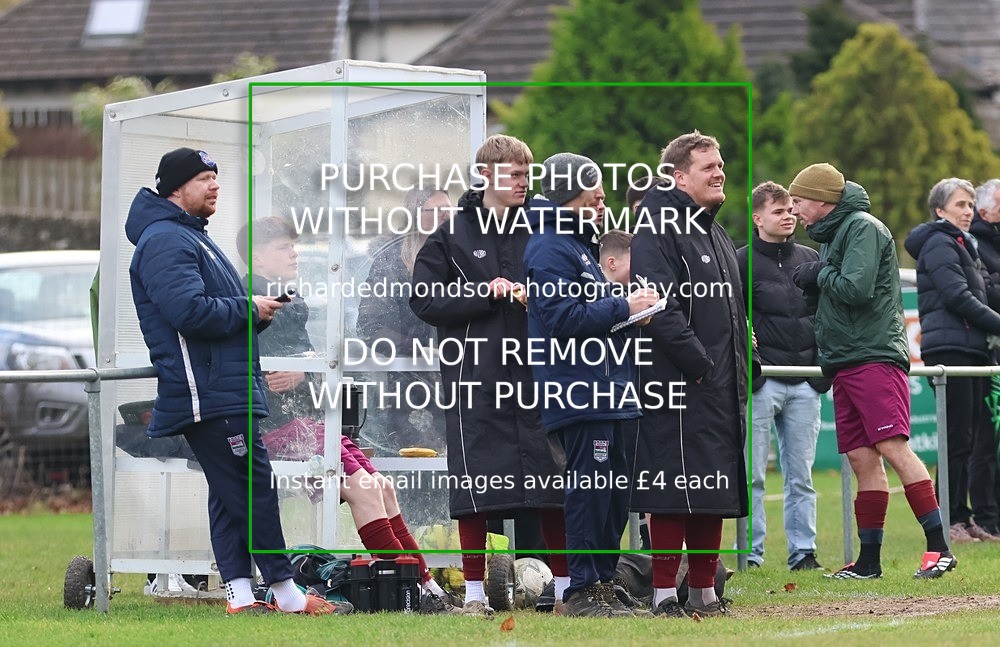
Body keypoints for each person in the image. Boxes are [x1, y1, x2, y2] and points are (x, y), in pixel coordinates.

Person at [125, 147, 340, 615]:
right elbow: (189, 313)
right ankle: (286, 593)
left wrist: (258, 311)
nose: (215, 186)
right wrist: (251, 308)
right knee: (253, 487)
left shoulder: (190, 236)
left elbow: (213, 308)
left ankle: (241, 596)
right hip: (209, 393)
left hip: (223, 388)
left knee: (229, 495)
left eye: (216, 177)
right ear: (176, 188)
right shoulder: (165, 240)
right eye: (204, 178)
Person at [236, 215, 460, 613]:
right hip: (274, 430)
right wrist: (286, 372)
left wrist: (303, 374)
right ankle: (410, 590)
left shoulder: (289, 296)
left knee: (383, 487)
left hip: (308, 424)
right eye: (283, 247)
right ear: (255, 256)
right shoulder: (243, 300)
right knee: (364, 489)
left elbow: (304, 364)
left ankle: (426, 585)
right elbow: (245, 367)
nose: (294, 253)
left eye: (294, 244)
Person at [410, 134, 568, 617]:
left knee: (553, 483)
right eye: (514, 174)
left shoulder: (547, 225)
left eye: (528, 173)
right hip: (474, 378)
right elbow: (424, 301)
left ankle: (563, 590)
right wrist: (489, 292)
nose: (524, 182)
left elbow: (575, 285)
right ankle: (475, 595)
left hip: (541, 375)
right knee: (476, 489)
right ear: (486, 175)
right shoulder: (450, 233)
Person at [788, 162, 955, 579]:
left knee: (893, 447)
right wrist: (814, 289)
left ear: (823, 200)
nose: (793, 209)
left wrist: (819, 274)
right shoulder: (832, 234)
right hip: (846, 358)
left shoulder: (861, 226)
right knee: (862, 457)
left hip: (873, 354)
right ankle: (868, 563)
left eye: (799, 201)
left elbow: (855, 289)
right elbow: (834, 294)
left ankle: (940, 548)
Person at [524, 155, 659, 618]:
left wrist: (633, 314)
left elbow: (595, 320)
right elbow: (562, 319)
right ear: (569, 193)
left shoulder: (580, 247)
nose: (603, 200)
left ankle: (605, 581)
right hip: (578, 392)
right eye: (594, 192)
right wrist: (623, 305)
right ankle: (581, 590)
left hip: (611, 390)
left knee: (615, 494)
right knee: (590, 490)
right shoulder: (549, 248)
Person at [628, 131, 751, 617]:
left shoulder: (714, 230)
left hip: (721, 386)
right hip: (678, 383)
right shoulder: (657, 226)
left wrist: (745, 364)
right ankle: (662, 593)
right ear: (679, 176)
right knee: (673, 490)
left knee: (713, 489)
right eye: (708, 167)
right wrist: (699, 364)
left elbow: (731, 313)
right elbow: (659, 306)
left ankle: (703, 590)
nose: (720, 172)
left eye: (720, 165)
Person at [737, 181, 830, 570]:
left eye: (791, 209)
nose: (789, 215)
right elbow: (731, 318)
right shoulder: (738, 261)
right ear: (758, 218)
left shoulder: (811, 256)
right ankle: (752, 556)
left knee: (801, 477)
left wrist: (820, 368)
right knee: (753, 477)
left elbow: (825, 315)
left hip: (806, 380)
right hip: (763, 381)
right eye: (779, 211)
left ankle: (803, 553)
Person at [904, 178, 1000, 543]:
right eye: (960, 204)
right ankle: (949, 519)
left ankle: (964, 516)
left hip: (972, 348)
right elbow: (959, 298)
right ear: (940, 210)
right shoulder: (939, 243)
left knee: (971, 437)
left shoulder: (964, 244)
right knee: (956, 439)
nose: (967, 210)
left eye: (971, 203)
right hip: (951, 350)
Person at [970, 178, 1000, 538]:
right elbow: (987, 293)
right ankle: (986, 517)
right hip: (987, 351)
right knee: (984, 437)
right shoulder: (975, 243)